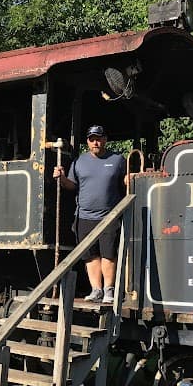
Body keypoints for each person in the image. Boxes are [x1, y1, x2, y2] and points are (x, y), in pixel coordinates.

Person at [53, 125, 126, 304]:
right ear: (87, 141)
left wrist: (129, 178)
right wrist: (61, 178)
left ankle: (109, 290)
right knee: (90, 255)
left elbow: (125, 181)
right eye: (92, 139)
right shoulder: (79, 162)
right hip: (84, 216)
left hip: (109, 215)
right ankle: (96, 290)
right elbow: (72, 185)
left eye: (99, 138)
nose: (96, 142)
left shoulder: (117, 159)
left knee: (108, 253)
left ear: (105, 139)